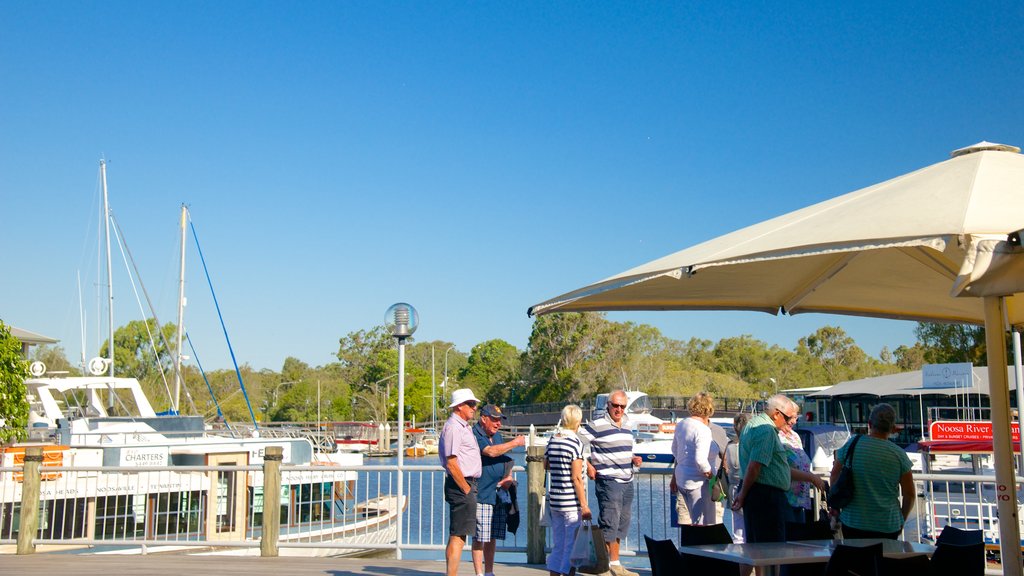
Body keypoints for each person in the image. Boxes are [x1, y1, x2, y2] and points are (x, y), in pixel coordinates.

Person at [731, 394, 824, 544]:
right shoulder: (766, 430)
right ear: (776, 414)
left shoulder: (753, 424)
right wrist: (742, 494)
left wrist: (743, 493)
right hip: (765, 496)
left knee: (759, 546)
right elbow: (754, 466)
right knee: (772, 547)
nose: (791, 422)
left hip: (760, 494)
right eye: (788, 418)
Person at [580, 389, 642, 576]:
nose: (618, 409)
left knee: (622, 523)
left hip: (627, 479)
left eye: (622, 406)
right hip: (608, 481)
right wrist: (588, 465)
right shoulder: (596, 425)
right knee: (609, 522)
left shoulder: (628, 424)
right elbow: (577, 445)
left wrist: (633, 458)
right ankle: (605, 565)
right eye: (615, 405)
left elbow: (623, 447)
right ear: (608, 405)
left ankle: (614, 563)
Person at [830, 403, 915, 539]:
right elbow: (909, 494)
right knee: (883, 559)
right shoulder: (899, 455)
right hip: (888, 523)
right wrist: (902, 519)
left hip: (853, 520)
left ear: (869, 424)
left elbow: (834, 474)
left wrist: (835, 504)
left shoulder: (852, 444)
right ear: (893, 428)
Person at [472, 404, 525, 576]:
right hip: (482, 493)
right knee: (480, 536)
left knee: (492, 535)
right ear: (483, 418)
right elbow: (491, 452)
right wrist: (516, 442)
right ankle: (479, 573)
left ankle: (489, 572)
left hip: (498, 494)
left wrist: (508, 476)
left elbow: (505, 459)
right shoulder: (475, 434)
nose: (498, 424)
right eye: (494, 420)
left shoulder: (498, 436)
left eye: (499, 420)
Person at [439, 388, 482, 576]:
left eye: (474, 404)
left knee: (460, 534)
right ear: (459, 407)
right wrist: (465, 487)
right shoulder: (454, 427)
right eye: (470, 404)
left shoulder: (463, 426)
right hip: (461, 484)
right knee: (458, 535)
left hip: (466, 483)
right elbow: (451, 461)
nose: (474, 407)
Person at [544, 404, 591, 576]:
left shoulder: (553, 439)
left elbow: (546, 464)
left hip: (555, 499)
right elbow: (576, 478)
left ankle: (554, 573)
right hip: (571, 501)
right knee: (571, 545)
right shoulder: (575, 443)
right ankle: (567, 573)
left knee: (558, 543)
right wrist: (584, 505)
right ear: (577, 421)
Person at [670, 392, 720, 525]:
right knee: (705, 524)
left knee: (694, 521)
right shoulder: (703, 430)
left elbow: (674, 450)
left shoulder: (681, 424)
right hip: (698, 483)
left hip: (683, 479)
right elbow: (701, 460)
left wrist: (685, 461)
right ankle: (703, 546)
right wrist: (712, 477)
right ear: (708, 410)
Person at [778, 399, 813, 523]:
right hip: (785, 499)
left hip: (800, 500)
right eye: (791, 417)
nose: (794, 421)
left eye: (796, 417)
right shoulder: (776, 436)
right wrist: (811, 478)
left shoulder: (795, 436)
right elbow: (782, 469)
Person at [723, 412, 751, 543]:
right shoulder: (750, 447)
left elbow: (726, 467)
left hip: (734, 487)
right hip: (748, 487)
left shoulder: (730, 446)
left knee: (738, 531)